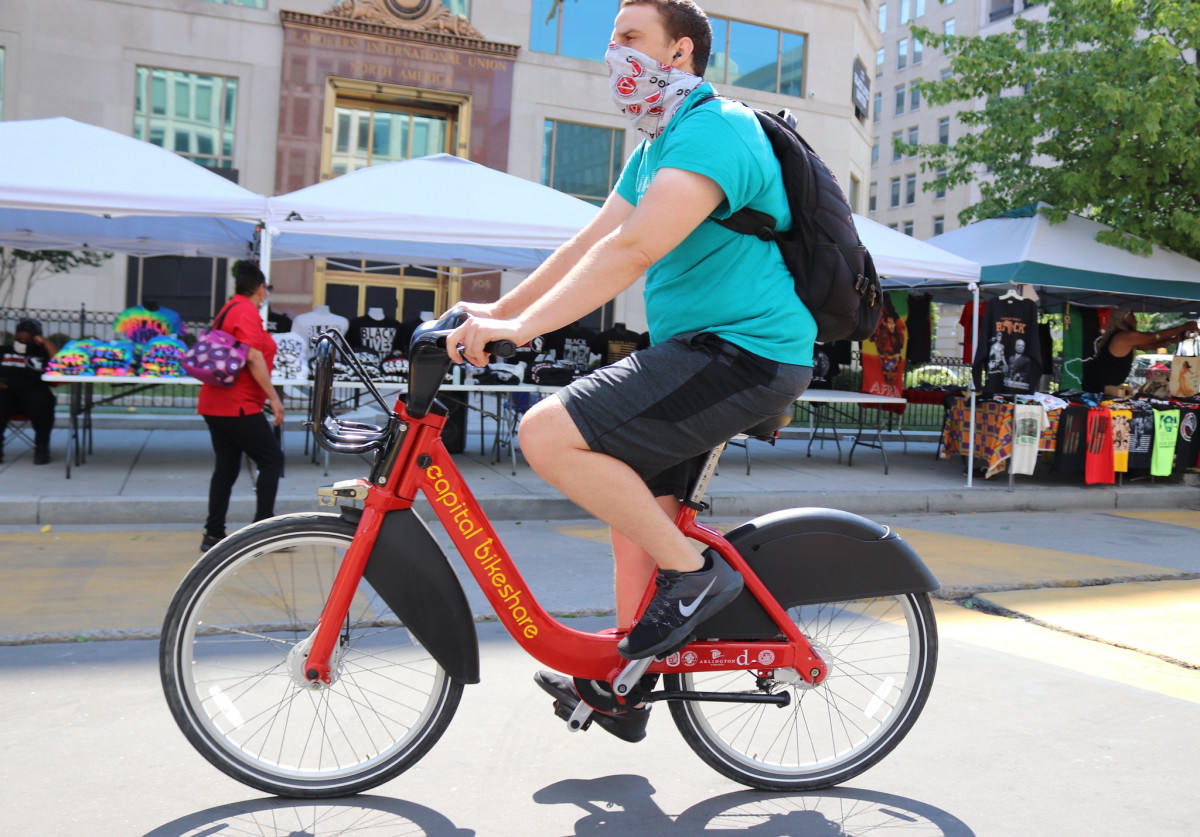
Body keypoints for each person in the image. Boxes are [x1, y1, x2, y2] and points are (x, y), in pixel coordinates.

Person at [446, 0, 814, 742]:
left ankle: (696, 574)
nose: (613, 52)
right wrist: (487, 312)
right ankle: (627, 685)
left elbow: (632, 251)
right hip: (703, 351)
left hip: (747, 352)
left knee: (546, 433)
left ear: (679, 52)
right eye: (612, 39)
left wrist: (518, 329)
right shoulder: (657, 146)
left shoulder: (716, 130)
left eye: (629, 38)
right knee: (631, 521)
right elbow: (589, 240)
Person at [197, 261, 285, 552]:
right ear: (260, 288)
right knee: (272, 460)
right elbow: (254, 357)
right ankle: (263, 532)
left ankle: (213, 534)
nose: (266, 296)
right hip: (239, 404)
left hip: (215, 403)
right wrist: (273, 397)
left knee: (226, 466)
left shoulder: (227, 309)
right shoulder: (246, 311)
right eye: (265, 290)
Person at [1081, 309, 1197, 393]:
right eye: (1131, 314)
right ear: (1123, 319)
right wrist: (1183, 327)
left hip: (1103, 386)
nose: (1135, 318)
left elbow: (1146, 346)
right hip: (1097, 387)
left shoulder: (1125, 336)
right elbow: (1153, 337)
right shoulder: (1124, 336)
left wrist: (1177, 339)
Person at [0, 318, 59, 465]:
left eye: (27, 334)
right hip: (6, 393)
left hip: (33, 394)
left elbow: (60, 361)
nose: (23, 337)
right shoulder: (4, 350)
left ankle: (42, 448)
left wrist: (45, 343)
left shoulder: (42, 353)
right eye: (20, 333)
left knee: (43, 400)